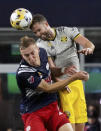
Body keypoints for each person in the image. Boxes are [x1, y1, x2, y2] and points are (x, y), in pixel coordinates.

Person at [30, 14, 95, 131]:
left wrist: (89, 49)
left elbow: (88, 44)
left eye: (39, 30)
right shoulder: (40, 45)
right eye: (35, 33)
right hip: (63, 87)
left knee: (81, 125)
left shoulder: (66, 31)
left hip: (78, 85)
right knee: (70, 127)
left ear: (46, 24)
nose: (38, 34)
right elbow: (52, 70)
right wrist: (63, 78)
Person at [16, 36, 89, 131]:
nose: (31, 58)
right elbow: (47, 88)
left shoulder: (43, 52)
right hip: (33, 112)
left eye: (32, 53)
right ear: (22, 55)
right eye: (26, 55)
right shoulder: (23, 73)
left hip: (52, 107)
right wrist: (75, 77)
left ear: (37, 49)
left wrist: (59, 78)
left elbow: (49, 70)